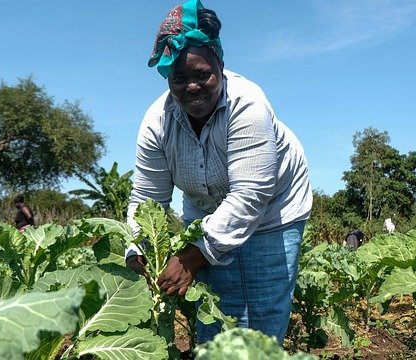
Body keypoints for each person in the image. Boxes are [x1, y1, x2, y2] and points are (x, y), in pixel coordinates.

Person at [126, 0, 312, 345]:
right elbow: (147, 198)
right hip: (207, 213)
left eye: (202, 75)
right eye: (179, 78)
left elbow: (249, 196)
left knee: (260, 318)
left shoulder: (248, 105)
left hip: (273, 211)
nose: (191, 87)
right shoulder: (157, 122)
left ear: (220, 66)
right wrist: (139, 248)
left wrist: (191, 256)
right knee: (219, 318)